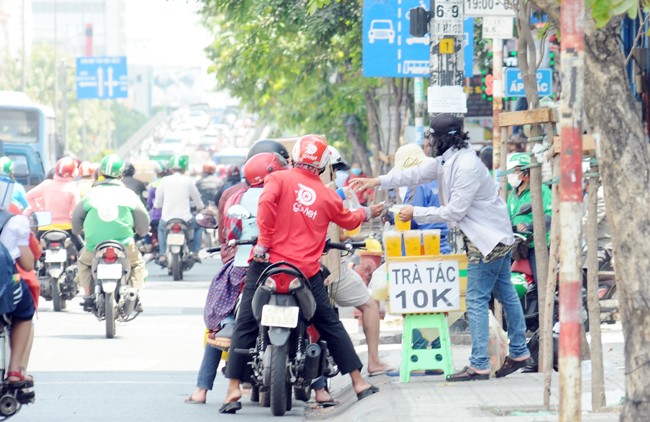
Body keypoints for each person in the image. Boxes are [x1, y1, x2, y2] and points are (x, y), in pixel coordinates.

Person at [349, 114, 530, 381]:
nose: (429, 142)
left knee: (476, 299)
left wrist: (415, 212)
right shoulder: (449, 159)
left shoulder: (466, 166)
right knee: (506, 293)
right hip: (492, 235)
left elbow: (455, 212)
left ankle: (480, 364)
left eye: (432, 137)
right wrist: (377, 181)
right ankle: (520, 351)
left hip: (488, 241)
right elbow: (418, 172)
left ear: (446, 138)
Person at [218, 134, 384, 414]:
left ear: (294, 158)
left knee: (246, 320)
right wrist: (369, 212)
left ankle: (233, 389)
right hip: (305, 271)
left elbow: (266, 205)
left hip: (267, 263)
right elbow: (349, 219)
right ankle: (357, 382)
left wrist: (265, 242)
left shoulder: (277, 179)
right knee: (329, 324)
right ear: (322, 166)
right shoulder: (328, 195)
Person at [185, 151, 288, 405]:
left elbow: (229, 234)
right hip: (286, 265)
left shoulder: (237, 197)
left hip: (244, 266)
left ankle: (201, 389)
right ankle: (321, 388)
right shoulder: (289, 194)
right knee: (317, 319)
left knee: (220, 319)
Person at [72, 154, 149, 312]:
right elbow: (143, 220)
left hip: (94, 246)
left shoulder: (90, 194)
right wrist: (141, 232)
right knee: (138, 264)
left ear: (100, 172)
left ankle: (87, 294)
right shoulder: (129, 195)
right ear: (121, 174)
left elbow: (76, 218)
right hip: (125, 245)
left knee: (83, 263)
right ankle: (135, 293)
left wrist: (78, 231)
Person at [0, 180, 37, 394]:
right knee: (24, 312)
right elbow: (28, 264)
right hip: (7, 284)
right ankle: (15, 370)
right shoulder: (15, 222)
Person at [506, 153, 552, 285]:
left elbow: (549, 217)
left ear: (526, 173)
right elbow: (509, 218)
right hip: (517, 246)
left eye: (515, 171)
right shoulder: (512, 196)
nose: (512, 175)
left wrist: (529, 226)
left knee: (541, 282)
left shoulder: (541, 191)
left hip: (536, 245)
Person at [25, 156, 83, 251]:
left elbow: (28, 196)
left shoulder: (46, 184)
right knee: (81, 248)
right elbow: (76, 211)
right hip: (67, 228)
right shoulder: (73, 188)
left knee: (33, 251)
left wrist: (39, 211)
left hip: (45, 227)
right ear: (73, 173)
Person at [154, 155, 204, 265]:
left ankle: (162, 254)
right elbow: (197, 199)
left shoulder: (164, 181)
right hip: (186, 219)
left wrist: (159, 206)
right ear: (184, 169)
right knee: (199, 226)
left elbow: (157, 204)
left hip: (167, 219)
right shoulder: (188, 181)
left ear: (170, 169)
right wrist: (200, 207)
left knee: (161, 229)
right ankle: (195, 252)